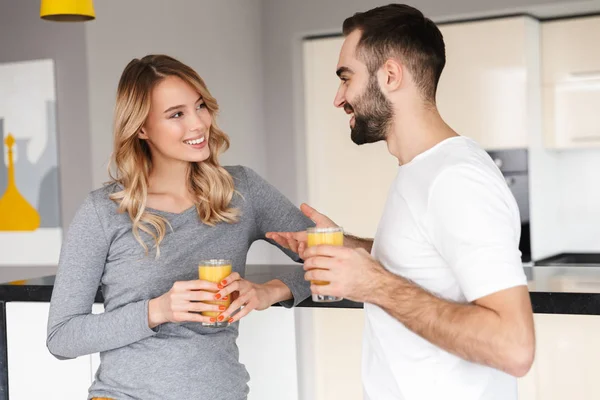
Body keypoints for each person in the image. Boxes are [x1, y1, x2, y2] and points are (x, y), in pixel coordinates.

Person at [267, 4, 535, 400]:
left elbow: (514, 348)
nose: (339, 97)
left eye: (346, 78)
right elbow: (428, 262)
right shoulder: (422, 170)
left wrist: (374, 284)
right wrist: (347, 248)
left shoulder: (455, 179)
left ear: (390, 75)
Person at [47, 54, 313, 400]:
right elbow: (62, 337)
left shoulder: (242, 191)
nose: (198, 124)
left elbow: (334, 266)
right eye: (177, 114)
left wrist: (271, 291)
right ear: (141, 128)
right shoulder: (103, 211)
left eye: (200, 106)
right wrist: (159, 310)